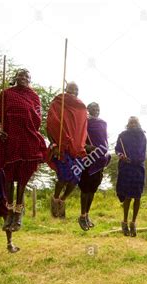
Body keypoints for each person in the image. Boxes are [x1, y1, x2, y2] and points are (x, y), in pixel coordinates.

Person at [0, 69, 47, 232]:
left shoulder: (34, 96)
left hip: (27, 137)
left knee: (23, 178)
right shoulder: (6, 94)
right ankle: (8, 211)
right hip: (9, 138)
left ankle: (18, 212)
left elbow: (37, 119)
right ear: (15, 78)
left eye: (27, 76)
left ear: (30, 80)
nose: (23, 78)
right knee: (8, 176)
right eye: (20, 75)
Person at [46, 81, 88, 219]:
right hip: (62, 146)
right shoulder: (59, 102)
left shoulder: (82, 107)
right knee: (63, 177)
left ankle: (62, 200)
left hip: (77, 148)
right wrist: (54, 144)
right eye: (71, 89)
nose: (73, 91)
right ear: (66, 89)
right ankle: (55, 199)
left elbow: (82, 129)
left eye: (76, 89)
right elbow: (50, 124)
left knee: (75, 178)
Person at [77, 102, 111, 231]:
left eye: (97, 108)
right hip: (88, 159)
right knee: (85, 189)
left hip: (99, 159)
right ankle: (81, 215)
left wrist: (105, 153)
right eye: (92, 108)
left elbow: (104, 141)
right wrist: (86, 147)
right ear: (88, 110)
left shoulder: (102, 123)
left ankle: (86, 215)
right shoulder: (84, 122)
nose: (95, 110)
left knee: (92, 189)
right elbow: (78, 138)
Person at [115, 116, 147, 237]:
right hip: (126, 168)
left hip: (138, 167)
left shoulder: (142, 136)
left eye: (135, 122)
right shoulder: (123, 135)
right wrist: (121, 156)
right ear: (128, 124)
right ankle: (124, 222)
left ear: (138, 124)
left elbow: (143, 153)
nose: (133, 124)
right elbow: (118, 149)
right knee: (127, 196)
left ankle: (133, 222)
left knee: (137, 196)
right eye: (131, 122)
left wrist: (134, 160)